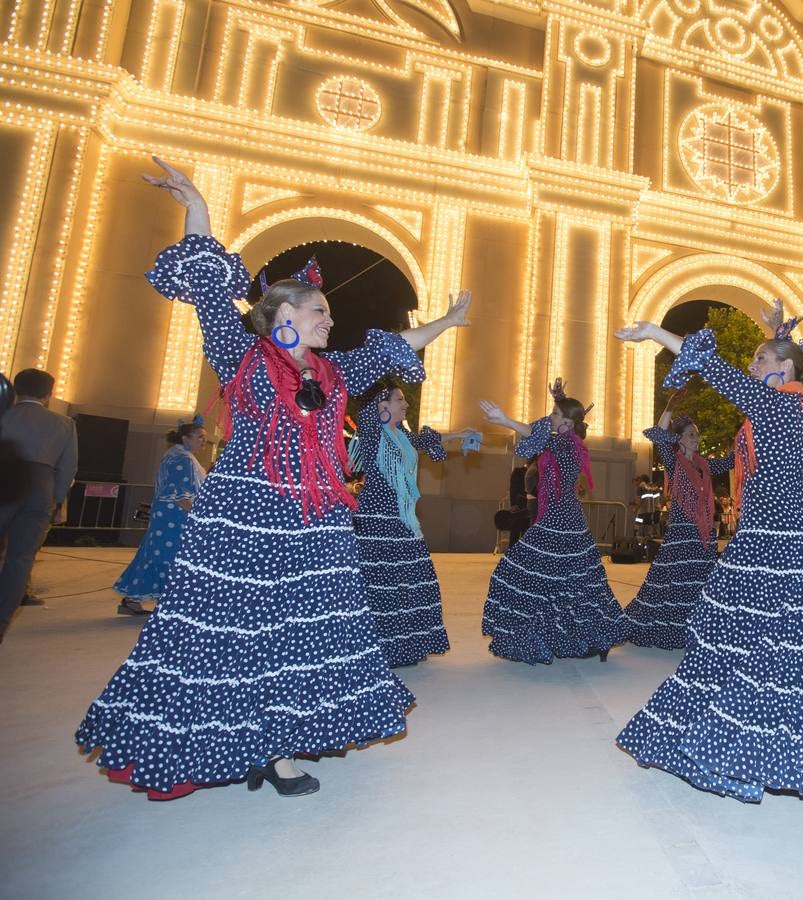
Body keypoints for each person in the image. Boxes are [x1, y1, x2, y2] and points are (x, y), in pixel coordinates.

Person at [75, 157, 469, 799]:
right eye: (319, 310)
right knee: (232, 634)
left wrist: (446, 323)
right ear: (281, 312)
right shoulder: (240, 353)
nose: (329, 320)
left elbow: (394, 346)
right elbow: (209, 285)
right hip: (245, 516)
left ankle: (278, 749)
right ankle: (220, 744)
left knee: (300, 637)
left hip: (314, 522)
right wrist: (197, 206)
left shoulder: (333, 372)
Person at [613, 308, 803, 802]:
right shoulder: (801, 407)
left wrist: (654, 332)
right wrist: (780, 334)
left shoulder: (775, 403)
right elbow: (772, 374)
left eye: (760, 359)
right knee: (794, 639)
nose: (752, 365)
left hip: (771, 534)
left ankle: (755, 746)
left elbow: (713, 367)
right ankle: (794, 743)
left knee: (754, 637)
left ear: (783, 369)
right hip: (790, 530)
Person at [478, 378, 622, 663]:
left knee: (529, 573)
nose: (549, 417)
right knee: (567, 582)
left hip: (559, 520)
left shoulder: (565, 445)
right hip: (563, 518)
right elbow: (550, 429)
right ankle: (584, 638)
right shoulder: (569, 442)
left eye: (554, 414)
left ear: (567, 423)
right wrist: (560, 400)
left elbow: (536, 432)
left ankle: (581, 638)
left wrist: (505, 420)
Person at [350, 381, 475, 667]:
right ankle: (379, 647)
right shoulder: (372, 432)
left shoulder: (401, 435)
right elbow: (366, 412)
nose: (405, 404)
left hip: (403, 518)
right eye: (399, 400)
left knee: (409, 582)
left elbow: (422, 441)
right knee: (382, 584)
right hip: (377, 521)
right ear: (382, 406)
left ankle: (406, 644)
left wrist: (458, 434)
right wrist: (380, 376)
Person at [622, 393, 732, 650]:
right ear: (679, 438)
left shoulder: (706, 465)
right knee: (673, 584)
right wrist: (670, 406)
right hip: (681, 535)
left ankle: (699, 629)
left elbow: (731, 460)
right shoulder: (674, 462)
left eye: (697, 434)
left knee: (701, 584)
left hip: (703, 536)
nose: (696, 438)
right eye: (691, 434)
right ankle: (672, 629)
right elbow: (660, 435)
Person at [0, 368, 78, 641]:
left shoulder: (5, 414)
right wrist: (55, 499)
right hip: (40, 490)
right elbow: (68, 468)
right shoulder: (64, 423)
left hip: (4, 480)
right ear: (48, 393)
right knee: (20, 558)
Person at [111, 417, 207, 616]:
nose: (203, 441)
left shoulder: (176, 455)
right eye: (199, 437)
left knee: (153, 554)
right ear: (185, 438)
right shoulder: (182, 459)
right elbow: (179, 494)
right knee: (170, 557)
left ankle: (133, 600)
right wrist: (198, 515)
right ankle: (171, 603)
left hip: (166, 515)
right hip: (175, 517)